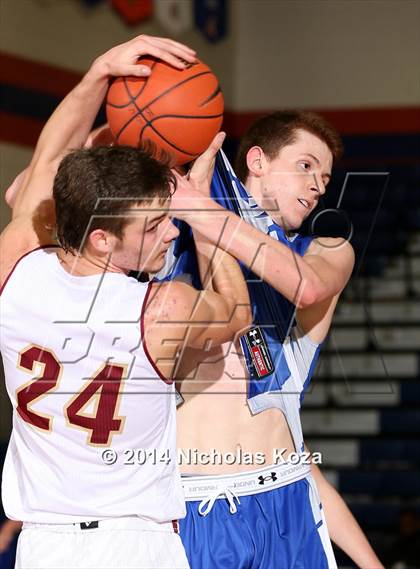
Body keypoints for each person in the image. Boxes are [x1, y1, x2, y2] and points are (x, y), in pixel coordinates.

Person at [0, 35, 251, 569]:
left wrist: (97, 74)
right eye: (155, 223)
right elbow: (237, 309)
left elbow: (47, 159)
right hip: (136, 543)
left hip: (44, 545)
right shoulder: (163, 309)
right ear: (103, 239)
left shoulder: (13, 270)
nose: (170, 232)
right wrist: (204, 214)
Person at [161, 111, 384, 568]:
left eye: (325, 176)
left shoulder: (325, 250)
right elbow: (27, 196)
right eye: (306, 166)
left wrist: (202, 209)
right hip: (195, 505)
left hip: (285, 503)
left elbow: (307, 287)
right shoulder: (167, 240)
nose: (319, 184)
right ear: (258, 162)